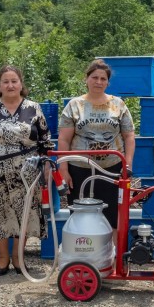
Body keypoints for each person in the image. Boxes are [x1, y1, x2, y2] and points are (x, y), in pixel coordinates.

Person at [0, 66, 52, 274]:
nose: (10, 85)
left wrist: (47, 170)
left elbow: (45, 142)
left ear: (21, 84)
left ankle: (18, 257)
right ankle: (3, 257)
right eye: (5, 81)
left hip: (27, 173)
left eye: (14, 81)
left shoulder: (33, 108)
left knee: (23, 212)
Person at [58, 59, 136, 232]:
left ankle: (112, 255)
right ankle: (83, 253)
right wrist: (63, 169)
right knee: (81, 214)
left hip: (112, 168)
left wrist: (127, 164)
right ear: (86, 79)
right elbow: (63, 139)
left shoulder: (118, 104)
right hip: (79, 168)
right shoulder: (74, 105)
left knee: (112, 215)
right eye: (95, 77)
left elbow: (129, 136)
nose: (98, 82)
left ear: (108, 82)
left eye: (103, 79)